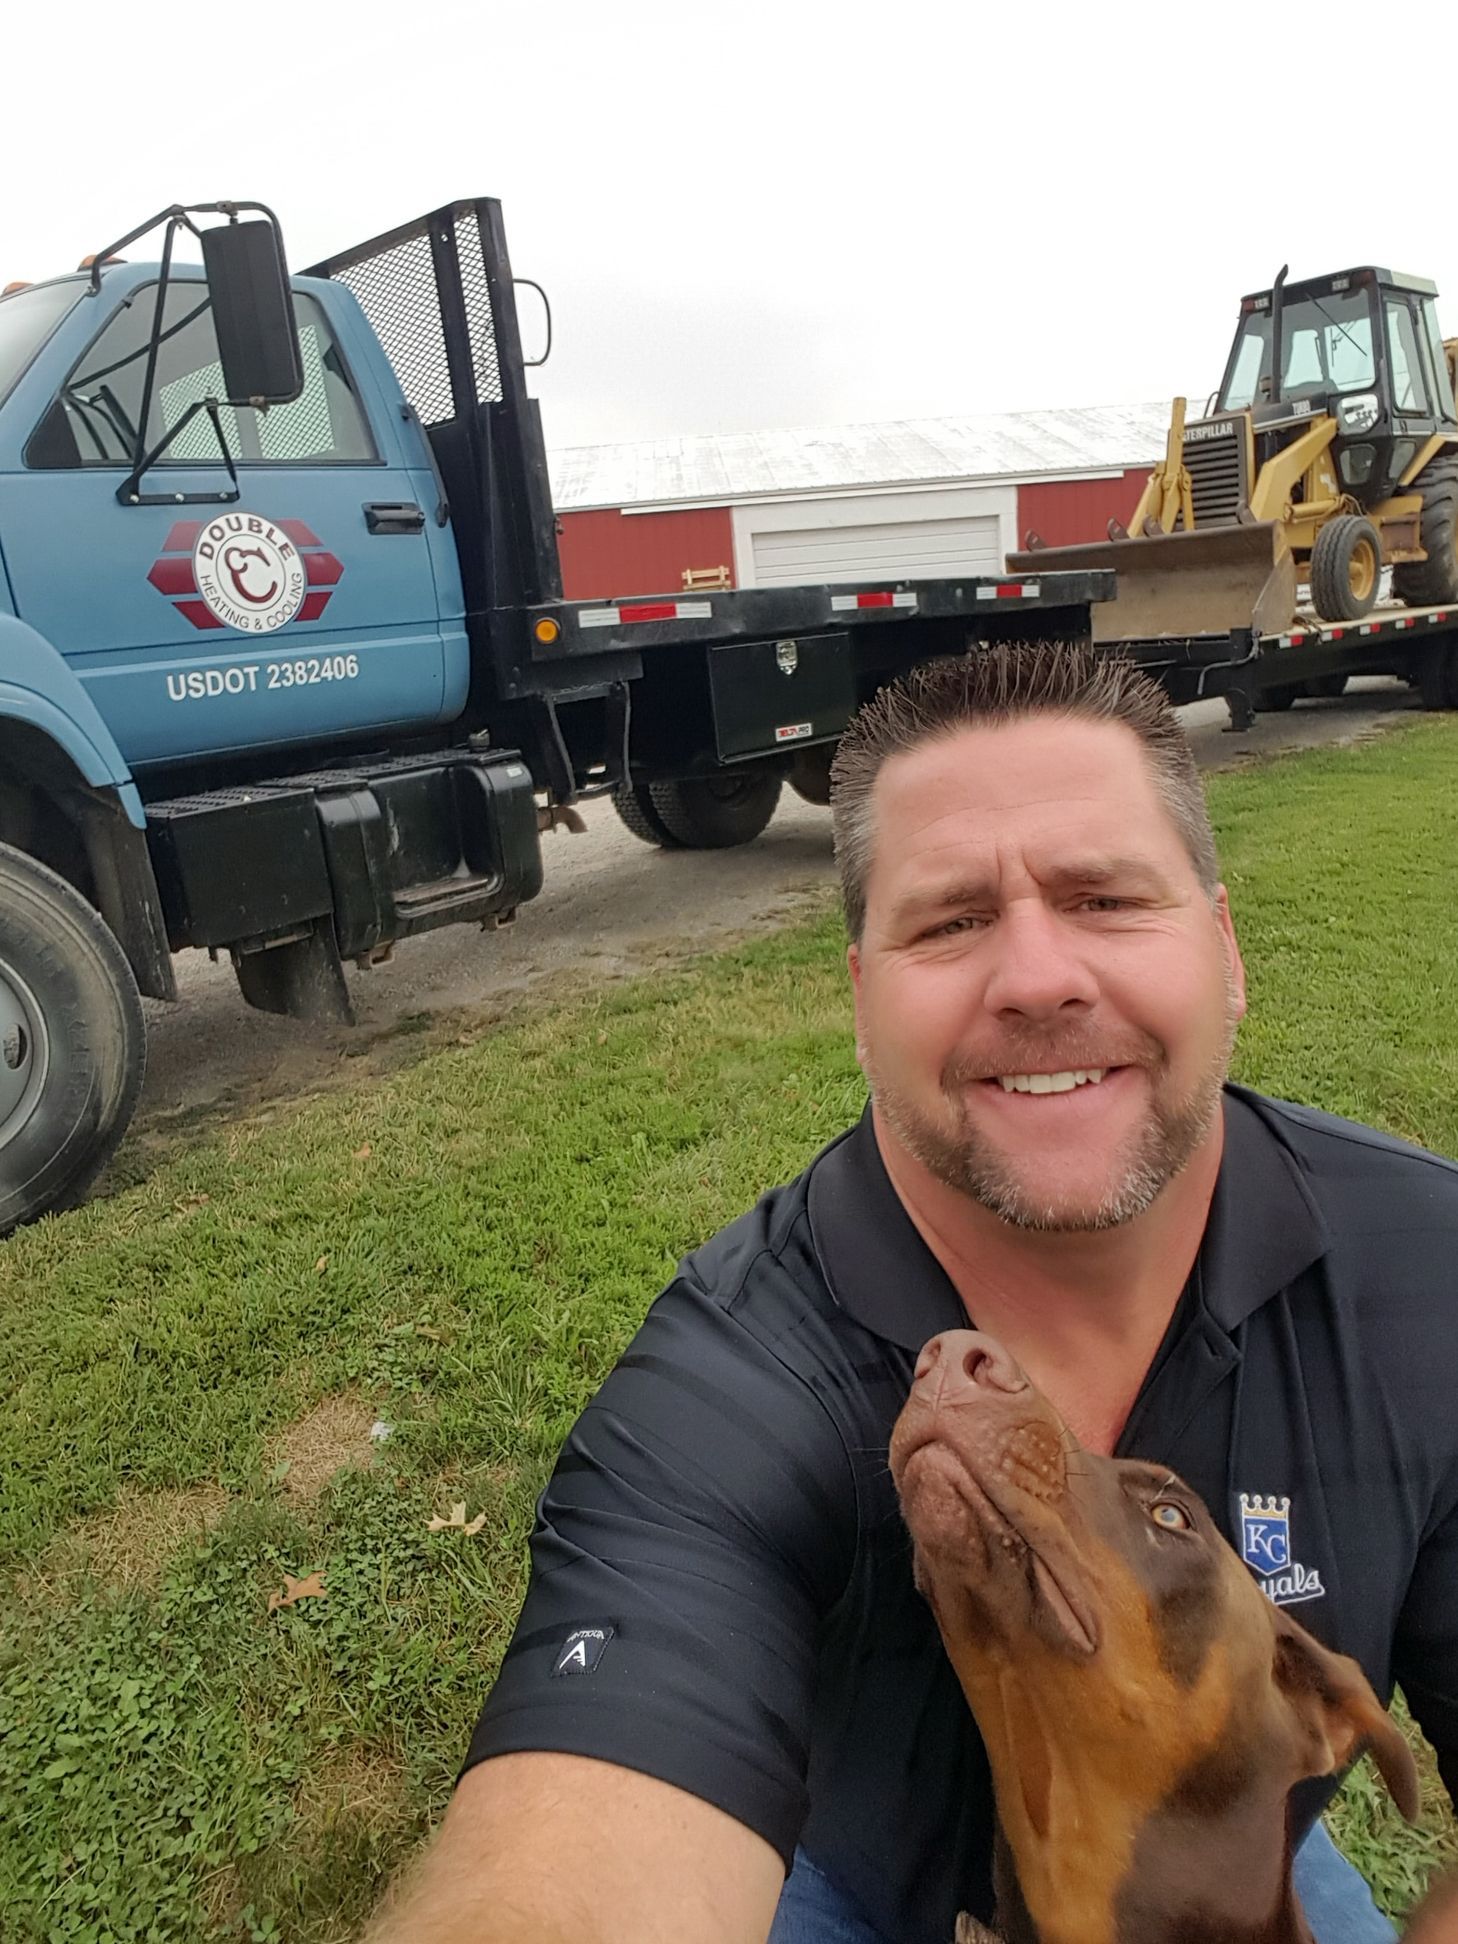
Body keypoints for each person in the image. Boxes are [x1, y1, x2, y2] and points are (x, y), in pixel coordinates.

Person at [364, 644, 1458, 1944]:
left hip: (1197, 1834)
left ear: (1221, 947)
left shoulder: (1427, 1273)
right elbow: (581, 1852)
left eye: (1104, 898)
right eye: (948, 921)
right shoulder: (729, 1377)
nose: (1036, 977)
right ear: (862, 997)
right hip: (858, 1878)